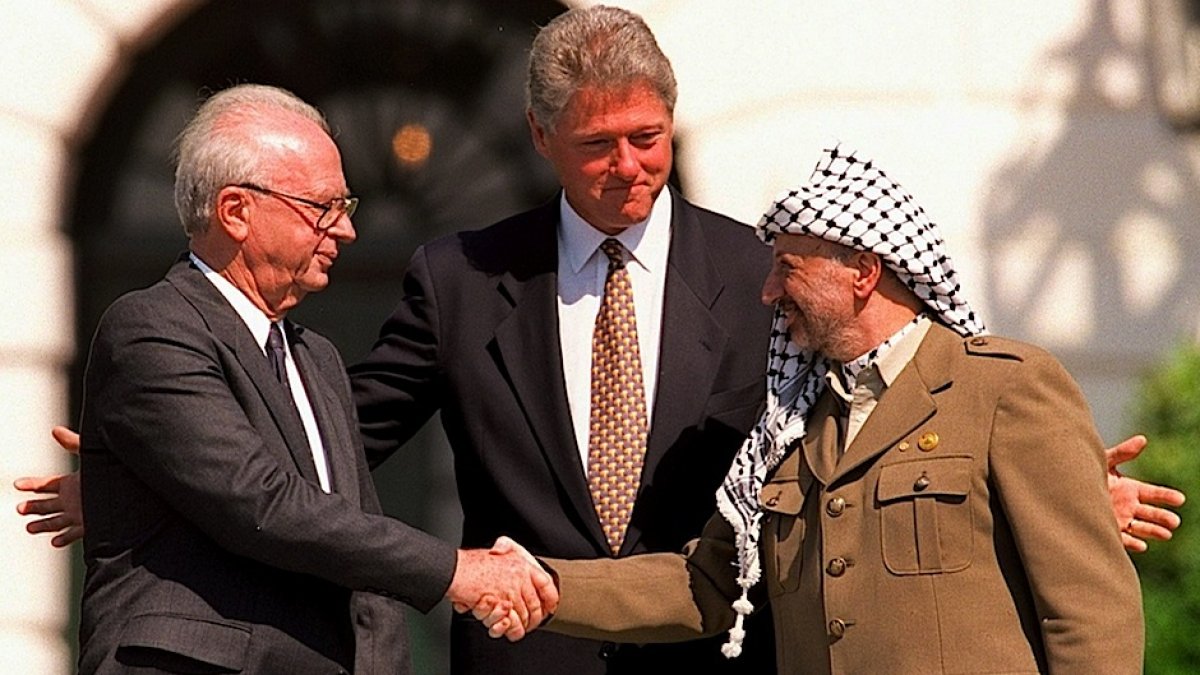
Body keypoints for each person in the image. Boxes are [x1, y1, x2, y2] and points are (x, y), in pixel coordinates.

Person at [16, 5, 1183, 674]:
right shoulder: (461, 277)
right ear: (540, 138)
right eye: (597, 146)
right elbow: (329, 442)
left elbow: (877, 427)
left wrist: (1053, 492)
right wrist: (153, 478)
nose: (629, 167)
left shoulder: (764, 274)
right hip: (526, 657)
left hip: (717, 656)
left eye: (649, 139)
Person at [488, 143, 1148, 674]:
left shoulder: (1003, 390)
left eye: (788, 268)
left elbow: (1089, 611)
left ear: (863, 272)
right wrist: (545, 584)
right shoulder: (789, 426)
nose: (768, 291)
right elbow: (704, 584)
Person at [59, 83, 555, 674]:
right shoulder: (152, 328)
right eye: (323, 207)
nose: (345, 230)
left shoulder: (314, 358)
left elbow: (354, 554)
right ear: (236, 211)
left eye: (345, 207)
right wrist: (455, 570)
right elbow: (261, 502)